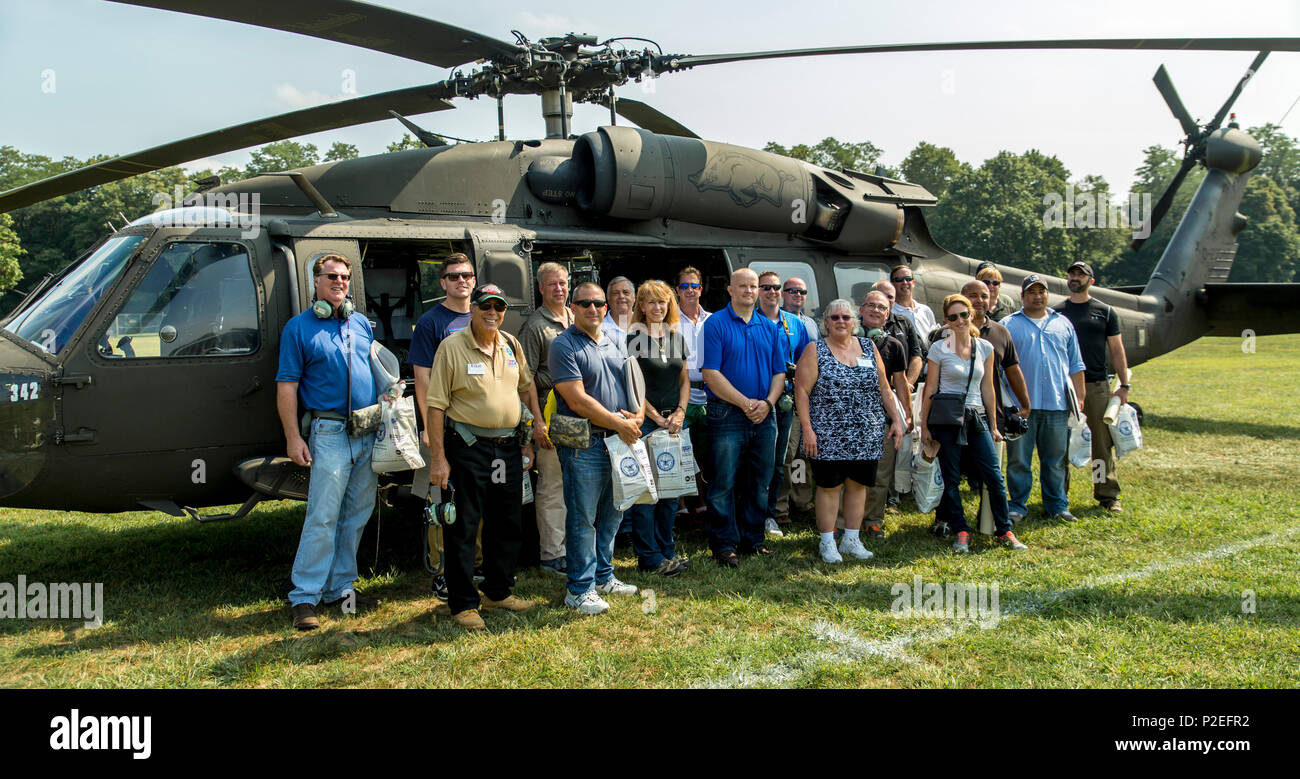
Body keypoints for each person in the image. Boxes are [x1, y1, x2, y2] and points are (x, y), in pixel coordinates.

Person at [426, 284, 543, 630]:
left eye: (499, 307)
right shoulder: (452, 347)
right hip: (468, 448)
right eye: (486, 306)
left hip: (506, 449)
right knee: (463, 524)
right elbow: (435, 406)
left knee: (506, 521)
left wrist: (529, 436)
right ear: (473, 309)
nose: (493, 313)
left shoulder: (510, 344)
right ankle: (462, 603)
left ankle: (497, 591)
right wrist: (438, 459)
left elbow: (525, 387)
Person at [276, 253, 380, 631]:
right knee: (322, 516)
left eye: (345, 277)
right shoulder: (298, 328)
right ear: (315, 282)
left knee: (356, 514)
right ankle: (304, 597)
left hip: (367, 432)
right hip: (329, 434)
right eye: (332, 276)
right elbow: (286, 386)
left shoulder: (361, 325)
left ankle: (341, 588)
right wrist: (292, 437)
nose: (340, 282)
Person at [551, 282, 645, 615]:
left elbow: (635, 385)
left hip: (619, 442)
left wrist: (638, 416)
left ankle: (604, 576)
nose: (592, 309)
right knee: (582, 520)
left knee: (612, 514)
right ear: (572, 308)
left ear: (606, 308)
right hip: (585, 444)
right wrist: (620, 424)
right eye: (584, 303)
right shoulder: (563, 346)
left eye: (598, 303)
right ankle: (579, 589)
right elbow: (576, 399)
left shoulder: (618, 341)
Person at [795, 299, 904, 563]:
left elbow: (884, 388)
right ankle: (827, 542)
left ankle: (852, 539)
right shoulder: (815, 349)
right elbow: (801, 390)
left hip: (866, 433)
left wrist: (897, 420)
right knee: (829, 487)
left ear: (854, 322)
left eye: (846, 317)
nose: (841, 321)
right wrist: (807, 429)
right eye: (835, 318)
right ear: (826, 323)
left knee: (858, 486)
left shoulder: (868, 347)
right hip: (828, 435)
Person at [920, 294, 1029, 552]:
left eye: (964, 315)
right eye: (953, 316)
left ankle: (1004, 531)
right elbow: (931, 388)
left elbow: (988, 388)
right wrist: (924, 426)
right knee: (952, 477)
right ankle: (961, 530)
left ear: (971, 315)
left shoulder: (985, 348)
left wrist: (993, 425)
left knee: (993, 476)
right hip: (948, 419)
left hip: (976, 416)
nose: (959, 320)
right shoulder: (938, 348)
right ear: (946, 320)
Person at [700, 268, 785, 567]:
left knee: (760, 480)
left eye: (754, 286)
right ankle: (724, 544)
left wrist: (767, 402)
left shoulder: (770, 327)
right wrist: (745, 402)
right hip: (727, 413)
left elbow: (780, 372)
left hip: (765, 414)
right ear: (730, 290)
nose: (749, 291)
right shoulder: (716, 324)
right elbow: (710, 373)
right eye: (743, 286)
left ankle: (753, 540)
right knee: (723, 482)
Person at [409, 253, 476, 601]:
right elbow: (423, 379)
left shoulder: (484, 316)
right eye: (453, 276)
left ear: (474, 280)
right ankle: (440, 572)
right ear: (443, 283)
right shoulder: (430, 323)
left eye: (466, 275)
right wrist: (428, 428)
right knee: (441, 501)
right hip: (444, 425)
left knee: (472, 501)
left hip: (478, 428)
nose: (460, 281)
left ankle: (472, 567)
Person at [1003, 275, 1086, 523]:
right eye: (1031, 292)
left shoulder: (1063, 324)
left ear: (1047, 294)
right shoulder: (1009, 324)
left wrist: (1080, 398)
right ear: (1022, 296)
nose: (1037, 296)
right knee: (1018, 461)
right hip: (1021, 408)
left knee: (1055, 460)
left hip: (1057, 405)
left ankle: (1057, 505)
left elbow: (1076, 363)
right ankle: (1017, 505)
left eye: (1042, 291)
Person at [624, 280, 691, 576]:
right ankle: (649, 556)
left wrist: (680, 412)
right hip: (648, 423)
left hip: (675, 422)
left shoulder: (676, 337)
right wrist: (657, 417)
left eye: (662, 302)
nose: (657, 308)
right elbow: (635, 386)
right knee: (647, 494)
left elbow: (684, 380)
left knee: (670, 491)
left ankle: (668, 550)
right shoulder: (633, 338)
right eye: (650, 302)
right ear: (641, 306)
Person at [1054, 261, 1130, 512]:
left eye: (1081, 274)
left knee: (1100, 443)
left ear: (1091, 281)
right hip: (1064, 387)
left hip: (1096, 385)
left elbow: (1117, 350)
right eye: (1072, 274)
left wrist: (1124, 385)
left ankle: (1106, 494)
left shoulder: (1105, 311)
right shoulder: (1057, 312)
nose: (1075, 278)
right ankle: (1058, 496)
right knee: (1061, 443)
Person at [518, 262, 573, 576]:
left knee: (573, 486)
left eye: (563, 283)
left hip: (575, 418)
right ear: (541, 288)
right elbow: (524, 381)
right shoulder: (535, 326)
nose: (559, 289)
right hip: (549, 416)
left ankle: (570, 548)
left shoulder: (575, 318)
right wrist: (537, 423)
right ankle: (552, 555)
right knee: (551, 487)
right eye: (552, 284)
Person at [757, 270, 811, 540]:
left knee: (780, 462)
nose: (772, 291)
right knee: (755, 461)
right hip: (755, 402)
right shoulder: (750, 320)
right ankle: (751, 513)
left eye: (776, 287)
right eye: (765, 287)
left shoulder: (794, 324)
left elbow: (807, 363)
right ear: (757, 291)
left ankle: (770, 514)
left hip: (785, 403)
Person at [858, 291, 914, 538]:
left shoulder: (894, 346)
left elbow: (900, 383)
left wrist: (908, 416)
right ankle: (843, 521)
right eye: (871, 305)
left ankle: (873, 521)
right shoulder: (845, 339)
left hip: (882, 418)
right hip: (850, 419)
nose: (875, 310)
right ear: (861, 309)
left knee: (881, 473)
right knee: (851, 472)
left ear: (887, 315)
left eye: (881, 307)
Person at [776, 276, 819, 523]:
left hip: (809, 396)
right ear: (783, 293)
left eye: (801, 291)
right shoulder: (775, 320)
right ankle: (781, 507)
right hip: (786, 396)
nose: (797, 295)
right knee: (787, 454)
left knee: (804, 454)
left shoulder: (811, 324)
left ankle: (802, 501)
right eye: (792, 290)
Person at [676, 266, 713, 494]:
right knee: (682, 451)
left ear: (701, 289)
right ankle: (682, 506)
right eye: (685, 286)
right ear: (677, 290)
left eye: (694, 286)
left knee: (707, 451)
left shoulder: (713, 320)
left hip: (710, 395)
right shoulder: (669, 320)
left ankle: (703, 501)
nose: (690, 290)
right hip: (683, 395)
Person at [889, 265, 937, 342]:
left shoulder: (925, 310)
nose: (904, 282)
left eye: (908, 279)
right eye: (899, 279)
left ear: (913, 283)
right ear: (892, 284)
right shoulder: (890, 312)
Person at [601, 276, 636, 355]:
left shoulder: (646, 325)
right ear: (608, 299)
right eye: (615, 293)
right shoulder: (599, 329)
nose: (621, 296)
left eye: (626, 292)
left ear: (634, 297)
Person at [781, 276, 820, 341]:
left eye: (802, 292)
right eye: (793, 291)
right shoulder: (774, 320)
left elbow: (819, 349)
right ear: (782, 294)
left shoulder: (811, 323)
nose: (798, 294)